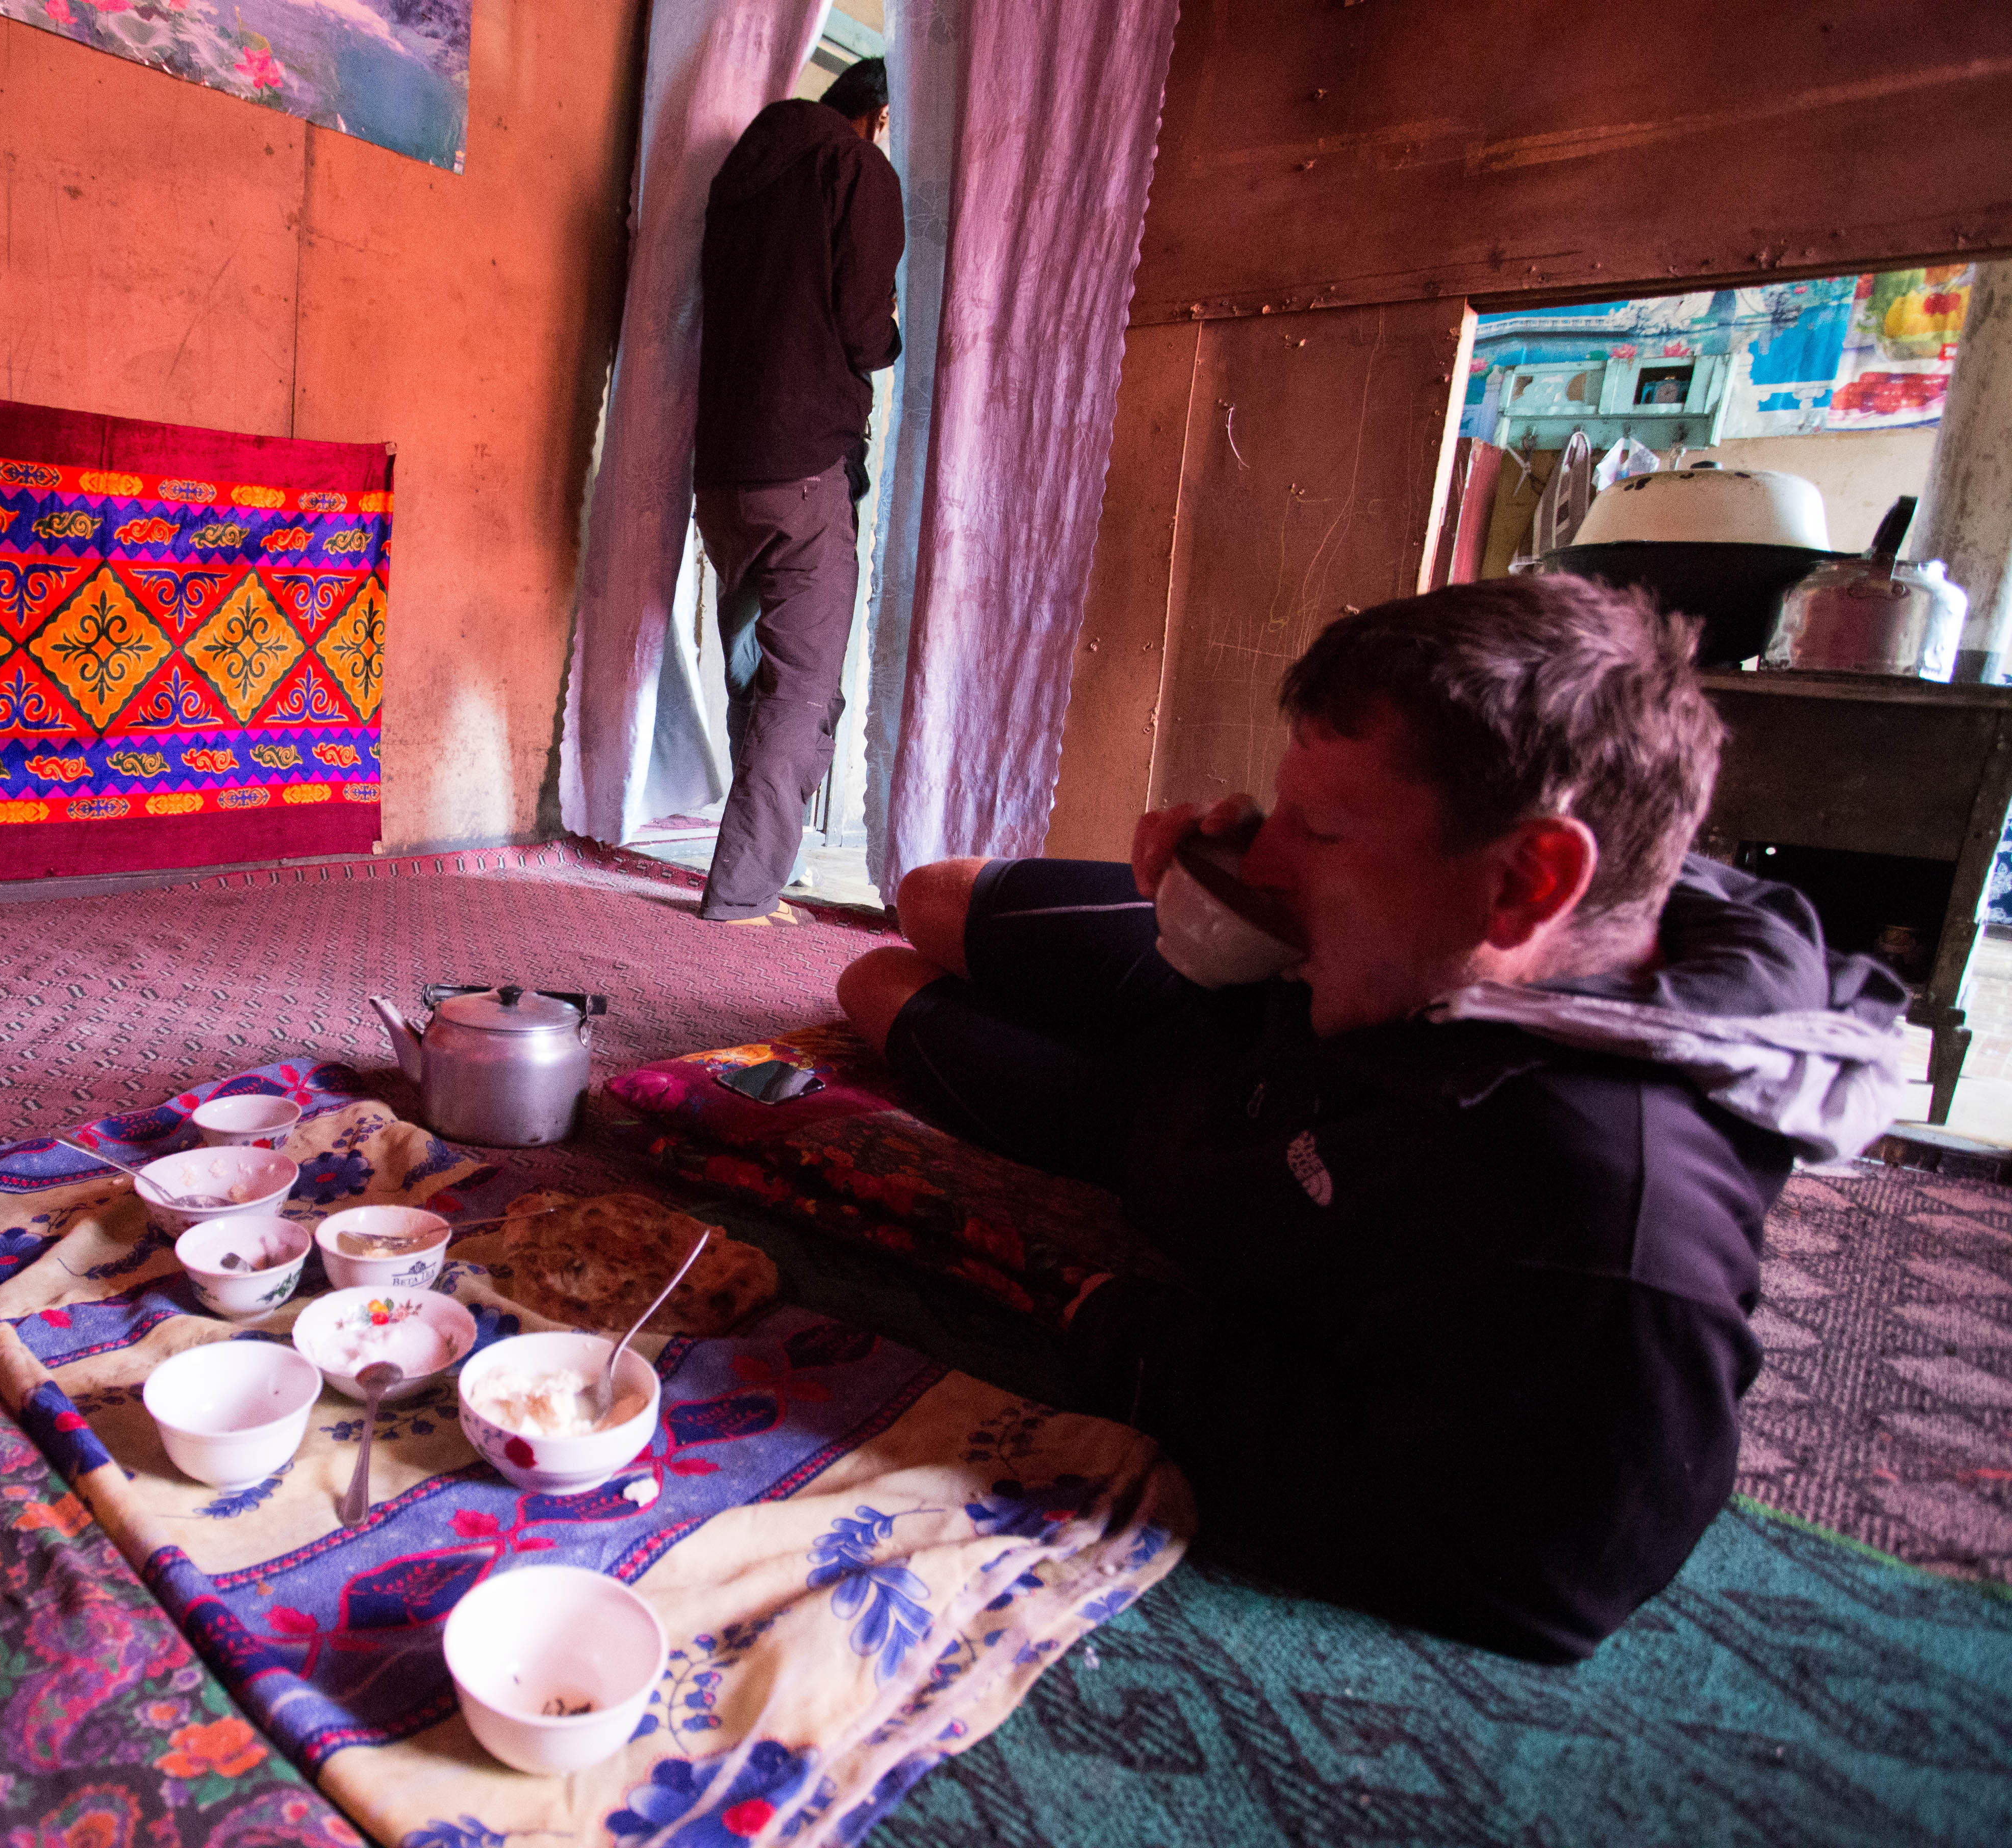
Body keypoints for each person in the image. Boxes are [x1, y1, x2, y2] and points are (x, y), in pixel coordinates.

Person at [834, 574, 1908, 1662]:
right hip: (1255, 1013)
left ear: (1531, 880)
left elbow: (1543, 1574)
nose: (1263, 854)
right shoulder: (1431, 934)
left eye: (1321, 827)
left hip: (1158, 1134)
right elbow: (1299, 907)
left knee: (873, 987)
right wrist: (1223, 901)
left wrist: (1133, 1334)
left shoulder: (1606, 1222)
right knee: (929, 899)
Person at [690, 58, 903, 925]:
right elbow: (862, 329)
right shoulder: (858, 169)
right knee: (802, 686)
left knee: (754, 673)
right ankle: (742, 896)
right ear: (880, 115)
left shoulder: (742, 169)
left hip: (724, 472)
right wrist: (890, 337)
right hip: (807, 465)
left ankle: (748, 861)